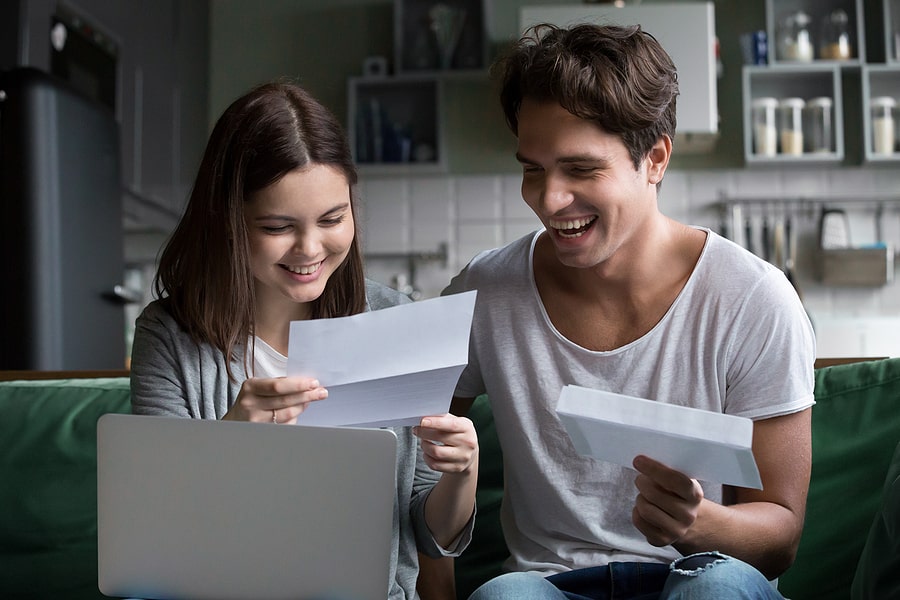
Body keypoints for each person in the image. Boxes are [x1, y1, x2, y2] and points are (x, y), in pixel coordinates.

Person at [443, 23, 816, 600]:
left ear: (656, 159)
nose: (549, 199)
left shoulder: (753, 298)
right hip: (551, 585)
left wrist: (701, 524)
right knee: (504, 597)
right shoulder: (485, 290)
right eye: (532, 168)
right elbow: (404, 447)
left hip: (698, 575)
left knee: (715, 589)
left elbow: (781, 534)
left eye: (582, 169)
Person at [129, 80, 478, 600]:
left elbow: (425, 532)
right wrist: (230, 439)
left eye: (333, 219)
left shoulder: (391, 322)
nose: (311, 248)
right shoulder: (170, 335)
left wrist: (462, 473)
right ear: (228, 222)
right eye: (278, 226)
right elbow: (157, 529)